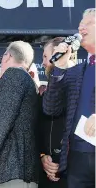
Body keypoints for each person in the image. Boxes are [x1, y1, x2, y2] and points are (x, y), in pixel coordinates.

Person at [0, 41, 39, 188]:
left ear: (7, 56)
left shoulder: (14, 75)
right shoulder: (25, 79)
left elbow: (4, 118)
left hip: (12, 170)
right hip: (12, 170)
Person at [43, 8, 95, 188]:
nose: (82, 28)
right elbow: (50, 108)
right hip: (77, 158)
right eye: (80, 25)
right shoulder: (76, 71)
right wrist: (59, 68)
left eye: (89, 23)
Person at [38, 37, 77, 188]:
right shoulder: (44, 92)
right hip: (47, 175)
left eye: (46, 57)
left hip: (75, 173)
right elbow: (40, 129)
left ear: (60, 54)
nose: (42, 63)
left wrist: (64, 162)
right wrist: (42, 156)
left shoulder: (83, 85)